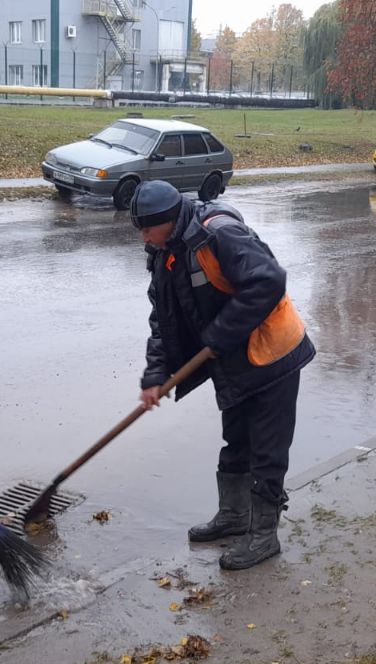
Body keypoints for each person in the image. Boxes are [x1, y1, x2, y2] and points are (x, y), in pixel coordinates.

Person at [130, 180, 315, 571]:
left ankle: (264, 536)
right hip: (231, 359)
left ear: (168, 221)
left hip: (271, 353)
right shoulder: (165, 253)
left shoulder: (219, 233)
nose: (143, 237)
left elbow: (268, 280)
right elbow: (163, 321)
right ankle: (234, 515)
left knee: (266, 449)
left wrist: (218, 335)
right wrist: (155, 375)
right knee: (236, 439)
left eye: (147, 229)